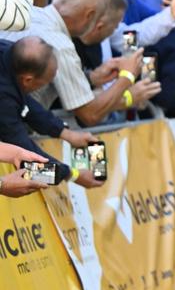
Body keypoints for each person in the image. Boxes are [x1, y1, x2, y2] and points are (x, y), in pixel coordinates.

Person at [0, 0, 146, 126]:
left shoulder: (25, 13)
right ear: (89, 15)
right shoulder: (59, 45)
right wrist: (127, 77)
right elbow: (90, 114)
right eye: (97, 17)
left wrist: (91, 78)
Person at [0, 37, 102, 189]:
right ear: (28, 80)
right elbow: (28, 163)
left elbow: (24, 102)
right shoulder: (4, 97)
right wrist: (72, 175)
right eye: (43, 84)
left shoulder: (9, 53)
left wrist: (66, 133)